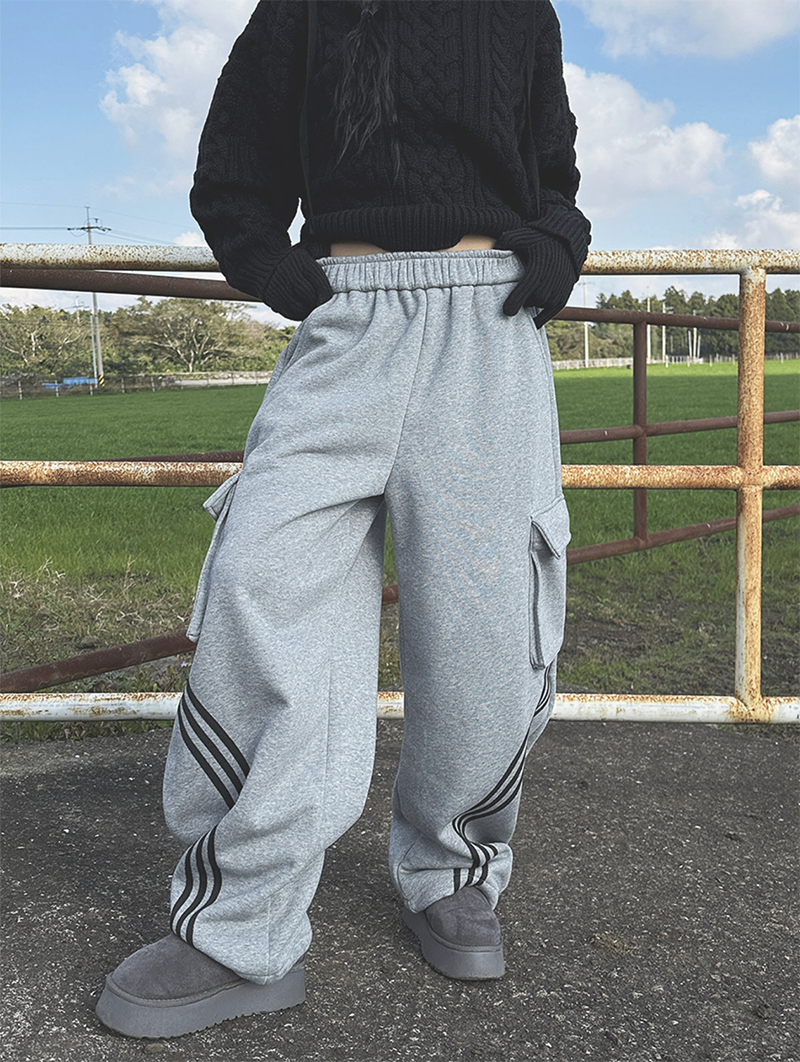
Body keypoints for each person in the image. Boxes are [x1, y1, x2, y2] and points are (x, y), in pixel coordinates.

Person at [96, 0, 590, 1039]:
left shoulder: (520, 9)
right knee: (260, 584)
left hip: (488, 324)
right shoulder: (301, 9)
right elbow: (231, 171)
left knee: (486, 620)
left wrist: (551, 247)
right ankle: (240, 924)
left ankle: (452, 866)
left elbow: (553, 169)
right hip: (345, 322)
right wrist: (284, 275)